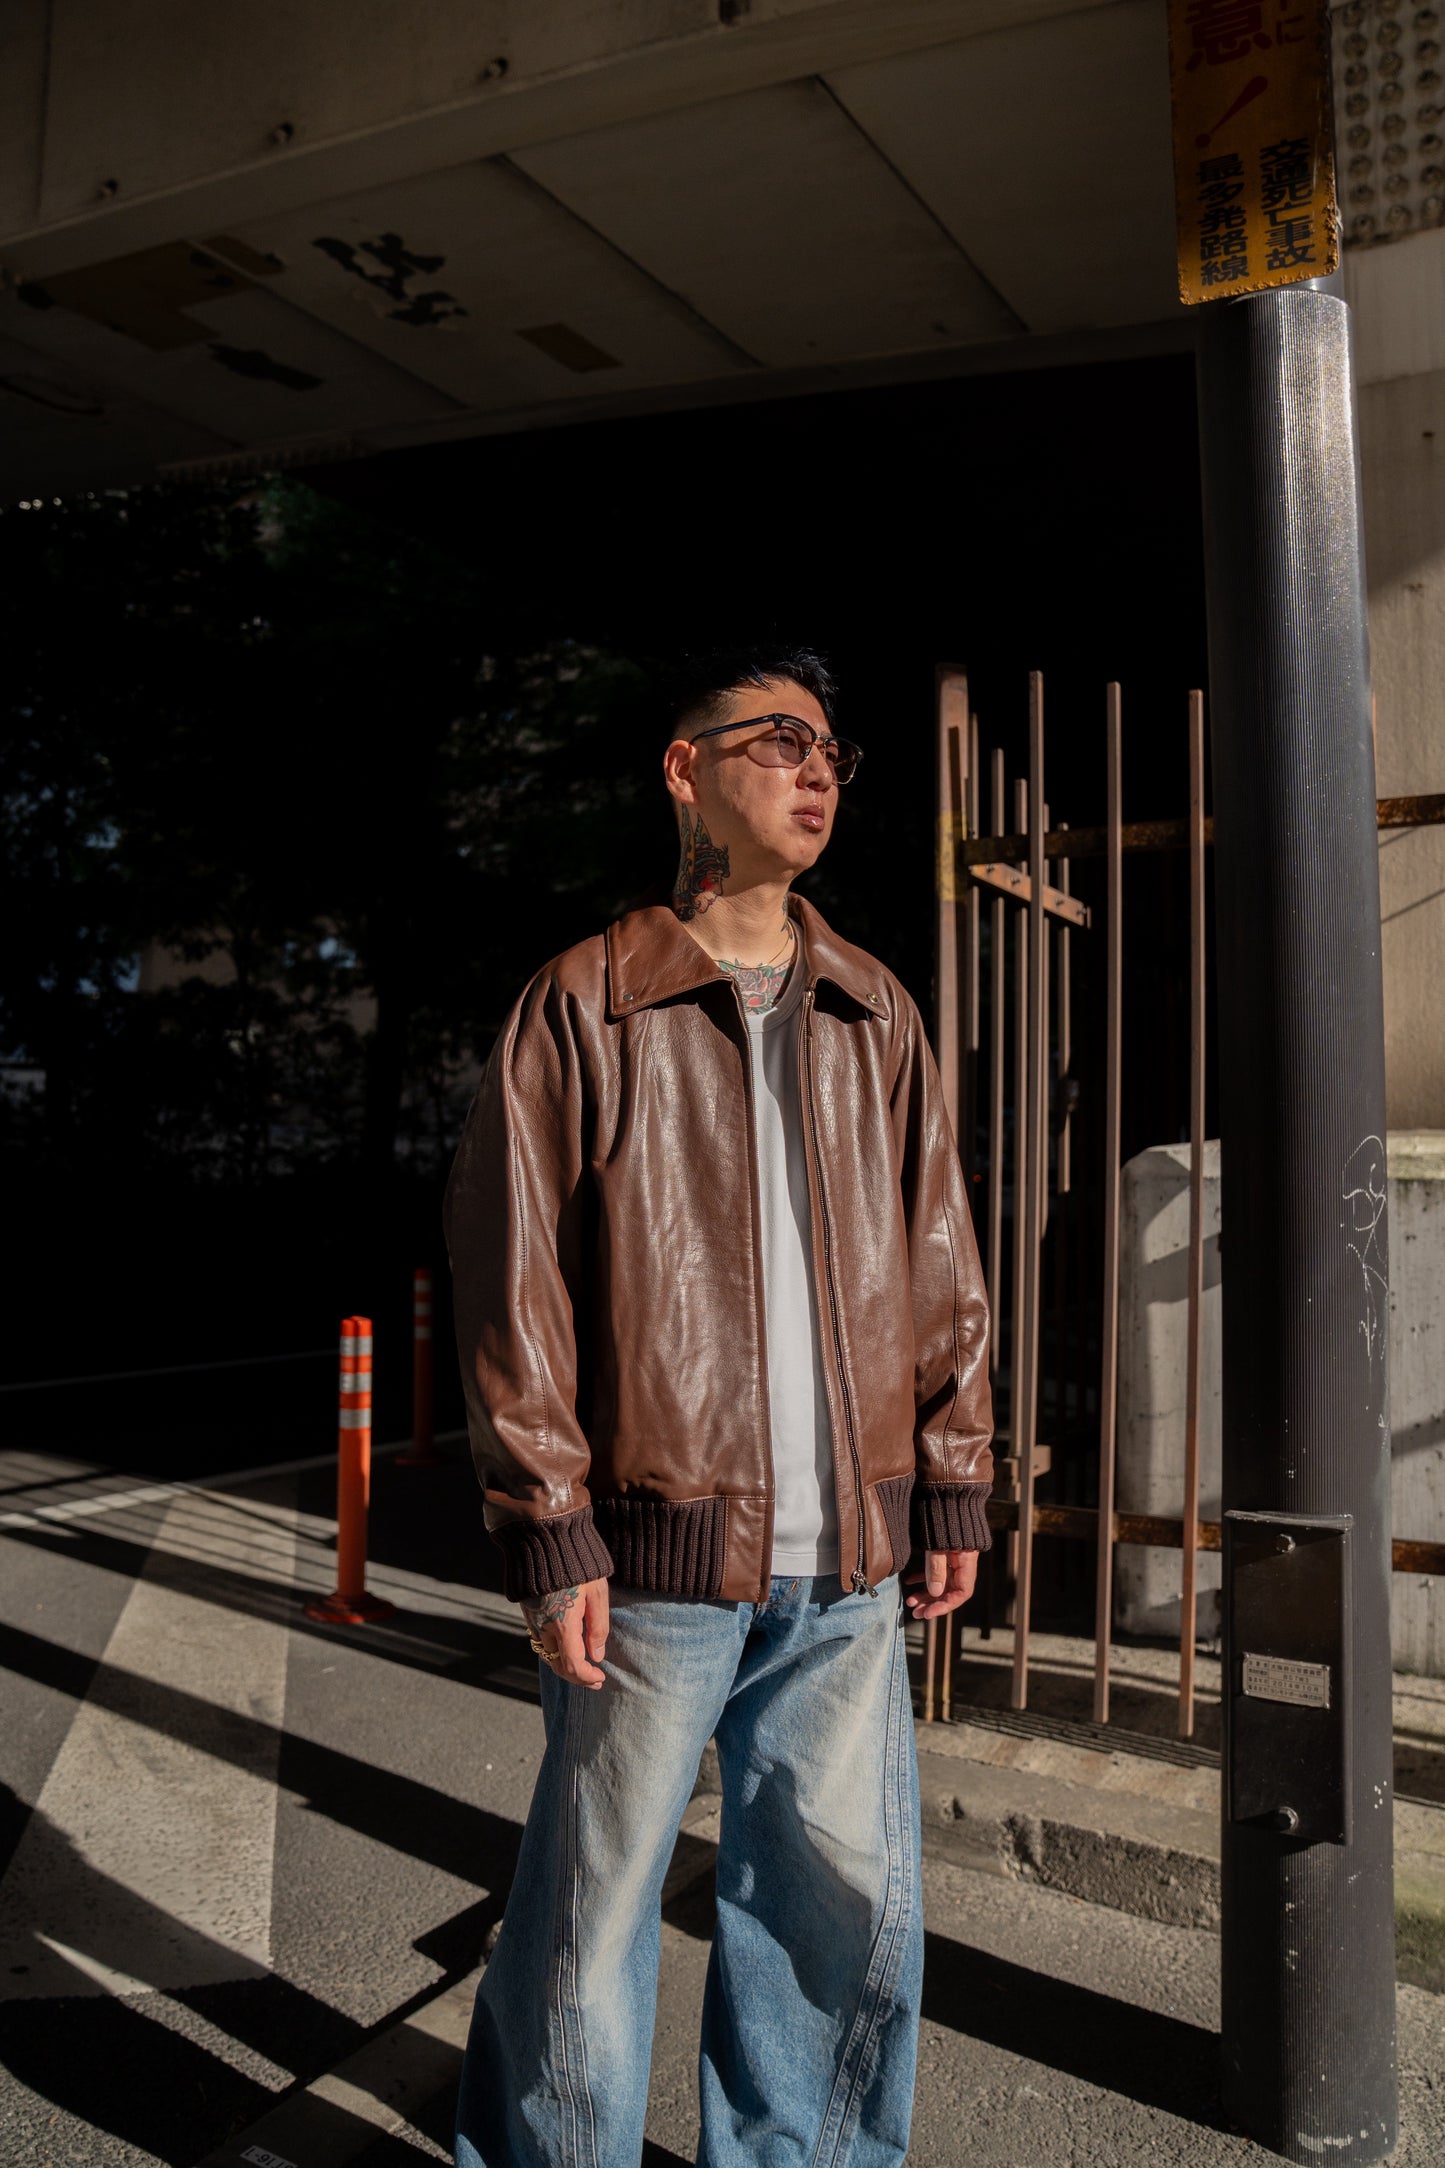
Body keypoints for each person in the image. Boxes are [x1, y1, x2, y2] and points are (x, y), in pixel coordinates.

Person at [445, 646, 994, 2168]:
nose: (816, 771)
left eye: (832, 753)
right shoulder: (585, 1002)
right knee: (591, 1909)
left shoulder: (873, 1008)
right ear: (684, 771)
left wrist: (952, 1473)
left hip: (849, 1567)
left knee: (832, 1909)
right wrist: (550, 1525)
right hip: (649, 1558)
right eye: (777, 742)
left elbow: (938, 1255)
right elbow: (515, 1279)